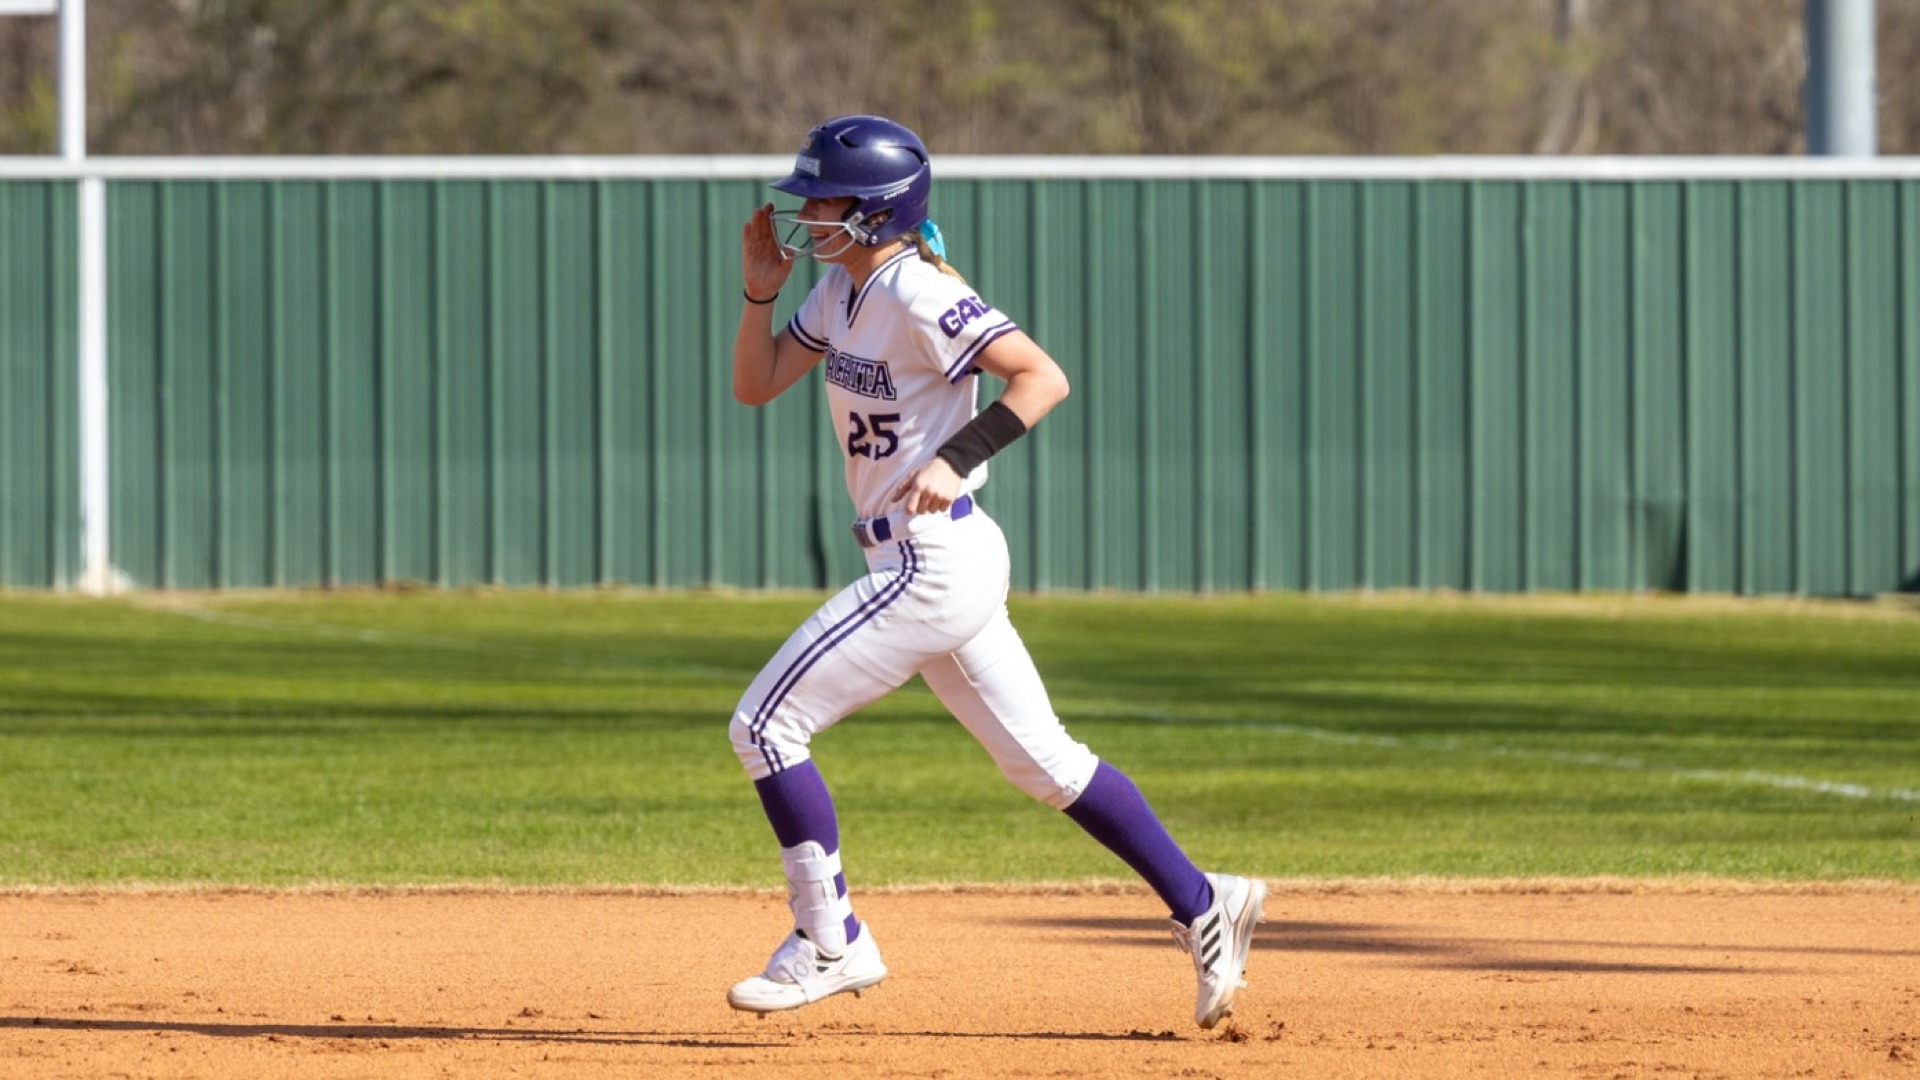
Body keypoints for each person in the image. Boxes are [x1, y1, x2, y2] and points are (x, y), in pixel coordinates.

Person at [724, 114, 1265, 1030]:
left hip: (931, 557)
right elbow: (756, 382)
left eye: (822, 198)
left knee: (765, 726)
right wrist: (756, 295)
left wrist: (959, 453)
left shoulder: (917, 292)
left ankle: (831, 938)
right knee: (1044, 763)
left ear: (873, 211)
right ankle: (1207, 901)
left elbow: (1040, 377)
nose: (805, 211)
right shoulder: (842, 292)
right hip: (924, 557)